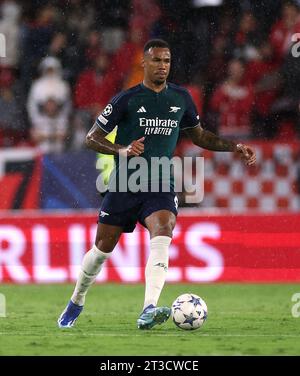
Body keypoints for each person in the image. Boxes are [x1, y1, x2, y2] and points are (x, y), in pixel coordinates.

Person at [58, 39, 256, 330]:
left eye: (167, 61)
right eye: (157, 61)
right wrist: (122, 149)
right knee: (101, 250)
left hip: (161, 181)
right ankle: (77, 299)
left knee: (163, 231)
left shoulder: (181, 98)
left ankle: (148, 308)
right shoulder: (126, 99)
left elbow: (199, 136)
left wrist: (234, 146)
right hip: (126, 182)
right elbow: (91, 138)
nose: (163, 66)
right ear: (145, 63)